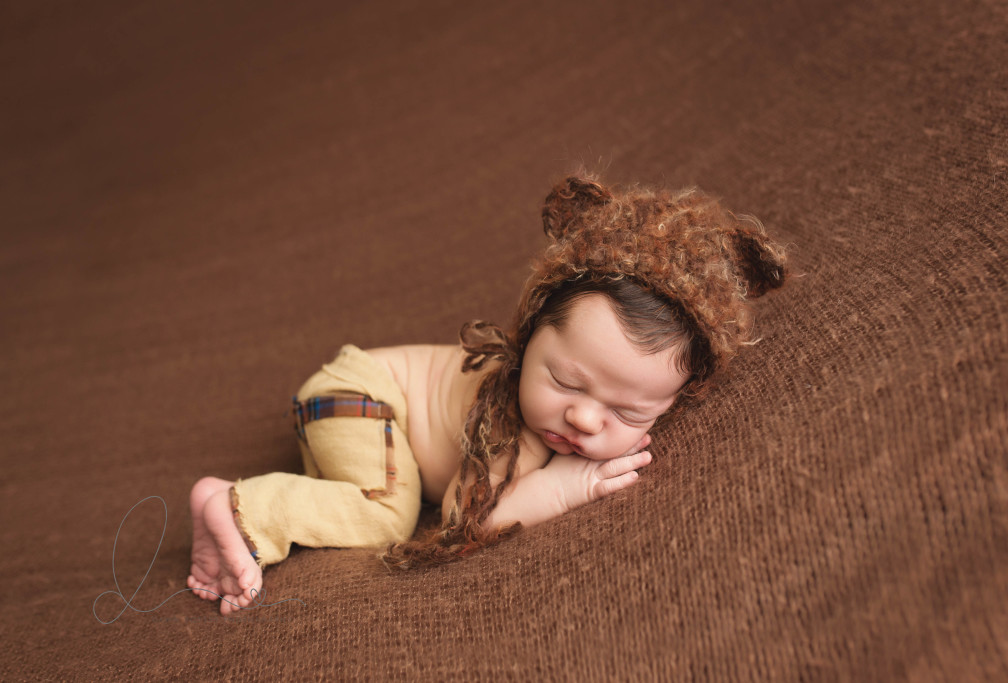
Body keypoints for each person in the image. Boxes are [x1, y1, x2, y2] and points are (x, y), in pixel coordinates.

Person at [187, 175, 787, 614]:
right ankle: (239, 505)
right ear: (527, 342)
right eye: (564, 381)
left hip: (353, 413)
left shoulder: (583, 404)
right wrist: (561, 488)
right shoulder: (505, 421)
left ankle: (248, 517)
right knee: (384, 515)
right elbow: (461, 517)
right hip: (359, 396)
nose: (581, 416)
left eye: (627, 412)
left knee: (348, 500)